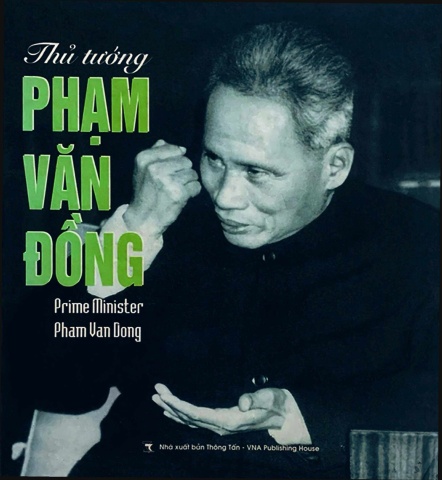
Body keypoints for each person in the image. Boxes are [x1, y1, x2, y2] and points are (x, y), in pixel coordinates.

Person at [25, 22, 438, 478]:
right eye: (213, 159)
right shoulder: (159, 222)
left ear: (334, 166)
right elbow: (58, 389)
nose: (224, 196)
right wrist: (133, 235)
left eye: (256, 172)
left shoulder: (419, 245)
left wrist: (297, 417)